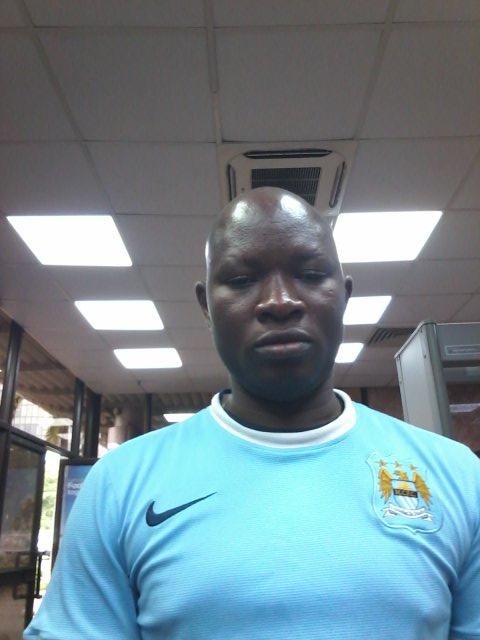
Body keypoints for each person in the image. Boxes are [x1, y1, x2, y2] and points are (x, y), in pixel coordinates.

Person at [24, 188, 480, 639]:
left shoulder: (457, 475)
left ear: (344, 295)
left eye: (310, 274)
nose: (279, 301)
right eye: (242, 280)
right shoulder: (119, 484)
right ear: (206, 306)